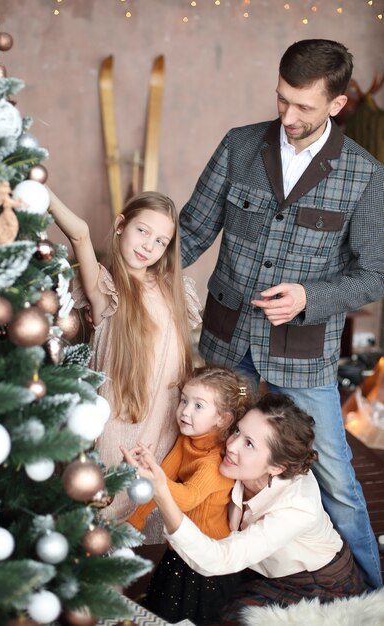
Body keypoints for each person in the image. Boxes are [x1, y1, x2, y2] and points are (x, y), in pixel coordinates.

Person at [178, 38, 384, 590]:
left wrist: (309, 298)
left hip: (305, 350)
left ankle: (372, 594)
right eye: (282, 100)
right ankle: (204, 588)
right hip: (224, 340)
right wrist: (124, 271)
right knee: (212, 463)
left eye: (304, 107)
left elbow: (375, 273)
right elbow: (191, 231)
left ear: (337, 105)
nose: (287, 116)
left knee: (338, 479)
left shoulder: (364, 175)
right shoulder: (238, 145)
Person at [123, 393, 367, 624]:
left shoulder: (297, 508)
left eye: (249, 444)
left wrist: (161, 491)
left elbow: (218, 559)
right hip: (257, 565)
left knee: (229, 616)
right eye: (237, 431)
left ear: (277, 467)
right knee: (186, 574)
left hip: (314, 583)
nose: (231, 446)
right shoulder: (239, 464)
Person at [48, 189, 202, 542]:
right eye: (142, 231)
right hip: (116, 424)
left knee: (145, 516)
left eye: (161, 241)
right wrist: (46, 195)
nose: (149, 246)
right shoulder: (106, 287)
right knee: (101, 516)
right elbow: (80, 233)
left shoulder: (174, 290)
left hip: (162, 426)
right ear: (121, 225)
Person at [126, 365, 253, 624]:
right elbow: (164, 478)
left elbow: (185, 498)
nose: (185, 410)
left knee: (192, 615)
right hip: (181, 545)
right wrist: (132, 524)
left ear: (223, 419)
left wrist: (154, 477)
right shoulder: (187, 441)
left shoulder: (214, 462)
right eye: (184, 400)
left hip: (207, 558)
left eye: (198, 405)